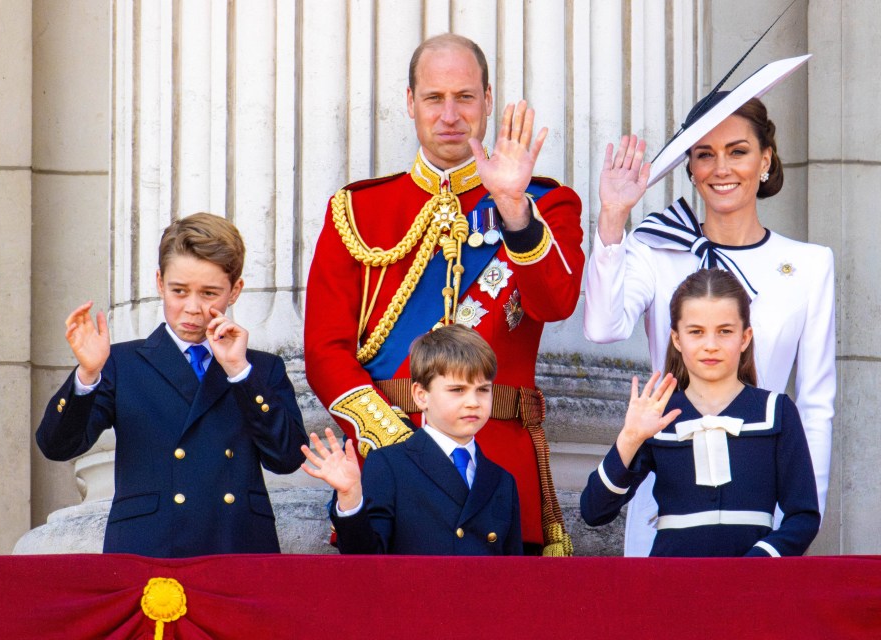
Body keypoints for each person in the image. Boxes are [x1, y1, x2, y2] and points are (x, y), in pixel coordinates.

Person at [304, 33, 584, 555]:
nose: (450, 114)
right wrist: (399, 446)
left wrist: (516, 212)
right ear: (410, 103)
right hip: (389, 466)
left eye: (465, 97)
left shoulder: (547, 203)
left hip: (499, 468)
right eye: (434, 98)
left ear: (488, 99)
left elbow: (556, 302)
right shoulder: (357, 210)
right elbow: (324, 350)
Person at [584, 93, 835, 556]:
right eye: (705, 154)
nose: (721, 168)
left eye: (737, 151)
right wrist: (614, 219)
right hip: (667, 503)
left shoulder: (809, 264)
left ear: (765, 159)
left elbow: (817, 404)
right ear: (691, 168)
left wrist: (797, 526)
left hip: (764, 515)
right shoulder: (654, 247)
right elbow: (602, 327)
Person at [36, 213, 309, 558]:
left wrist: (239, 372)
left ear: (235, 290)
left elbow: (286, 458)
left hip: (236, 546)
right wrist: (87, 375)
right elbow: (57, 445)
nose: (192, 308)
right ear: (159, 282)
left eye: (209, 293)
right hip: (148, 548)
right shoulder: (121, 363)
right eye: (179, 291)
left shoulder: (261, 368)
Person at [581, 269, 820, 556]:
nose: (710, 345)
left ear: (745, 338)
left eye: (725, 331)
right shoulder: (658, 416)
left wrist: (757, 564)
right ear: (677, 339)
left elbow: (804, 517)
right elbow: (594, 512)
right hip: (672, 585)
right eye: (696, 332)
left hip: (754, 587)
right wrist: (630, 438)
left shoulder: (776, 411)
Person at [302, 325, 523, 555]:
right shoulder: (389, 465)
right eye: (457, 390)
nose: (473, 402)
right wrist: (350, 498)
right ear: (421, 395)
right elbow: (366, 560)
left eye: (483, 390)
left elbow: (513, 575)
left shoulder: (501, 481)